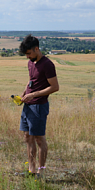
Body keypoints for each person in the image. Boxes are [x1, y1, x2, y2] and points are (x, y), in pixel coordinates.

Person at [19, 35, 59, 177]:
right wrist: (24, 93)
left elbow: (55, 87)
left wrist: (34, 95)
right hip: (28, 105)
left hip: (39, 107)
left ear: (37, 49)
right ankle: (32, 169)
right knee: (27, 137)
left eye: (29, 53)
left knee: (39, 139)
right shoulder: (31, 62)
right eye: (26, 54)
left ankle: (41, 172)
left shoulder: (47, 64)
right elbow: (31, 79)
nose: (27, 57)